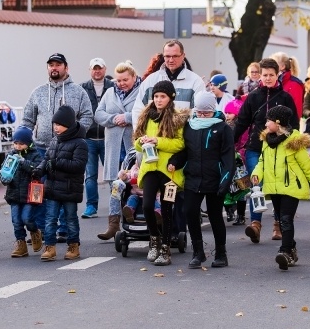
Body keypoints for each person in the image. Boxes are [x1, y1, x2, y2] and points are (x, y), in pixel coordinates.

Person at [21, 53, 93, 242]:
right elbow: (28, 119)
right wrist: (25, 139)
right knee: (41, 190)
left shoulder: (78, 92)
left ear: (66, 68)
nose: (54, 68)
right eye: (51, 65)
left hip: (69, 150)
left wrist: (75, 134)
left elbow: (87, 115)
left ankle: (64, 230)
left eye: (58, 65)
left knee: (64, 190)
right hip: (41, 149)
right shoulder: (38, 92)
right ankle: (44, 229)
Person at [234, 57, 299, 243]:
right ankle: (255, 223)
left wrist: (292, 143)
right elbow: (242, 122)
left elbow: (294, 124)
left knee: (277, 186)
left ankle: (278, 224)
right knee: (257, 185)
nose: (268, 78)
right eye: (265, 75)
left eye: (271, 75)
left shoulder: (285, 97)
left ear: (277, 74)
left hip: (280, 148)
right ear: (260, 76)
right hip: (256, 147)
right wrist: (231, 141)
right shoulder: (253, 97)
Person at [250, 105, 310, 271]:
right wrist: (257, 174)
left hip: (291, 187)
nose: (266, 124)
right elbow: (262, 161)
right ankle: (291, 247)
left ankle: (285, 252)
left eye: (269, 120)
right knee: (281, 219)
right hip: (273, 187)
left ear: (278, 122)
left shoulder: (294, 142)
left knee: (286, 219)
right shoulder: (267, 141)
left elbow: (307, 165)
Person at [168, 91, 234, 269]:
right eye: (200, 112)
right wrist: (174, 162)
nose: (203, 116)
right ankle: (198, 252)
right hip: (193, 178)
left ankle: (221, 253)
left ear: (214, 110)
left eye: (207, 112)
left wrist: (225, 181)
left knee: (215, 216)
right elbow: (185, 152)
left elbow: (228, 159)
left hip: (215, 179)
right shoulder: (189, 126)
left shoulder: (223, 129)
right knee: (189, 212)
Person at [133, 80, 188, 266]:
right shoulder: (146, 115)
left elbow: (180, 144)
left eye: (162, 96)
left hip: (169, 171)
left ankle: (165, 247)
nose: (158, 100)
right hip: (150, 167)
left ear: (170, 98)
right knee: (147, 206)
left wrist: (158, 141)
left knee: (166, 209)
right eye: (156, 96)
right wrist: (142, 142)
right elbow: (136, 142)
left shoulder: (177, 118)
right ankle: (154, 239)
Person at [94, 61, 142, 240]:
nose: (121, 83)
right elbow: (98, 114)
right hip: (114, 147)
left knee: (135, 186)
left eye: (125, 80)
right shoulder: (109, 92)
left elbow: (147, 111)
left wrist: (128, 117)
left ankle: (135, 221)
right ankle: (113, 225)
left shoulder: (142, 90)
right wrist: (114, 118)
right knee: (116, 186)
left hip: (132, 146)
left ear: (134, 77)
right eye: (118, 80)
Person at [34, 105, 89, 262]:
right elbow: (46, 160)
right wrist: (39, 170)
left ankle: (73, 245)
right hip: (52, 187)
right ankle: (49, 247)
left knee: (70, 218)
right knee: (50, 218)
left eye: (59, 124)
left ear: (69, 124)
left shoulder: (80, 143)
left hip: (70, 188)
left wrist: (57, 162)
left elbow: (78, 165)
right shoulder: (54, 141)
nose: (56, 128)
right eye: (54, 124)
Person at [132, 40, 205, 123]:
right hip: (152, 134)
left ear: (183, 56)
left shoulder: (195, 82)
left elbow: (198, 112)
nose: (171, 60)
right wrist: (140, 134)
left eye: (175, 56)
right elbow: (138, 110)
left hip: (182, 135)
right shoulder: (151, 80)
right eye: (167, 56)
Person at [1, 126, 45, 258]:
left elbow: (37, 170)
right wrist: (5, 178)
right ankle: (21, 244)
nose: (18, 146)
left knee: (27, 218)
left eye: (21, 143)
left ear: (28, 143)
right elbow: (4, 170)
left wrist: (23, 162)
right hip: (14, 193)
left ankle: (35, 231)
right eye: (15, 143)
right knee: (16, 220)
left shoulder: (35, 154)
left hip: (29, 194)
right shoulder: (10, 155)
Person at [80, 57, 114, 219]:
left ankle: (117, 204)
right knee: (90, 175)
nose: (97, 71)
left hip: (109, 138)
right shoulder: (82, 88)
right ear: (90, 70)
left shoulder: (113, 87)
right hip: (89, 139)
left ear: (105, 69)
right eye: (94, 68)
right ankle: (91, 207)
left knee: (112, 174)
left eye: (100, 68)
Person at [270, 52, 304, 118]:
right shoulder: (273, 82)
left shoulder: (295, 84)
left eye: (274, 63)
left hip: (287, 124)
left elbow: (297, 109)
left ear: (282, 66)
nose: (271, 66)